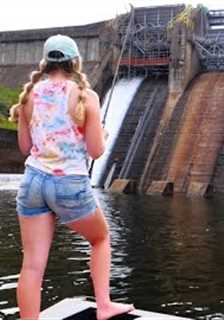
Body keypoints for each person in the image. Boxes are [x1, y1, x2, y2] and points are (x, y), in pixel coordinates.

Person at [9, 34, 134, 320]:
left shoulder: (29, 95)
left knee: (32, 265)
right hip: (68, 183)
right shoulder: (85, 96)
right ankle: (104, 305)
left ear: (46, 62)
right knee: (100, 238)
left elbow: (26, 148)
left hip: (33, 182)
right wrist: (101, 133)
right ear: (74, 62)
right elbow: (96, 150)